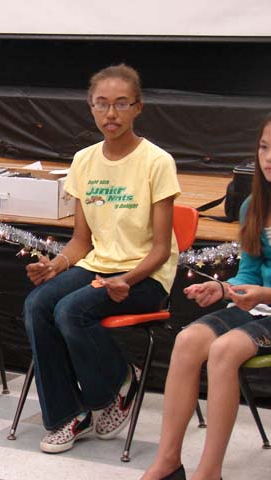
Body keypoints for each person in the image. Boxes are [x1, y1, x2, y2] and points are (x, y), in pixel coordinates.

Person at [23, 64, 181, 454]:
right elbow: (82, 241)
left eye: (121, 104)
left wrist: (126, 279)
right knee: (37, 304)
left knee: (70, 311)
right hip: (98, 265)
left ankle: (117, 383)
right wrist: (56, 265)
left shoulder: (157, 161)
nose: (111, 113)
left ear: (138, 107)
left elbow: (161, 249)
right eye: (102, 104)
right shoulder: (84, 160)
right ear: (90, 106)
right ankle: (68, 415)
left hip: (146, 275)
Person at [142, 115, 271, 480]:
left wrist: (264, 293)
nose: (268, 158)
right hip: (260, 308)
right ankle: (168, 462)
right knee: (187, 340)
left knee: (225, 350)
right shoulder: (253, 206)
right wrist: (225, 289)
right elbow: (249, 273)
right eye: (264, 147)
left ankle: (209, 472)